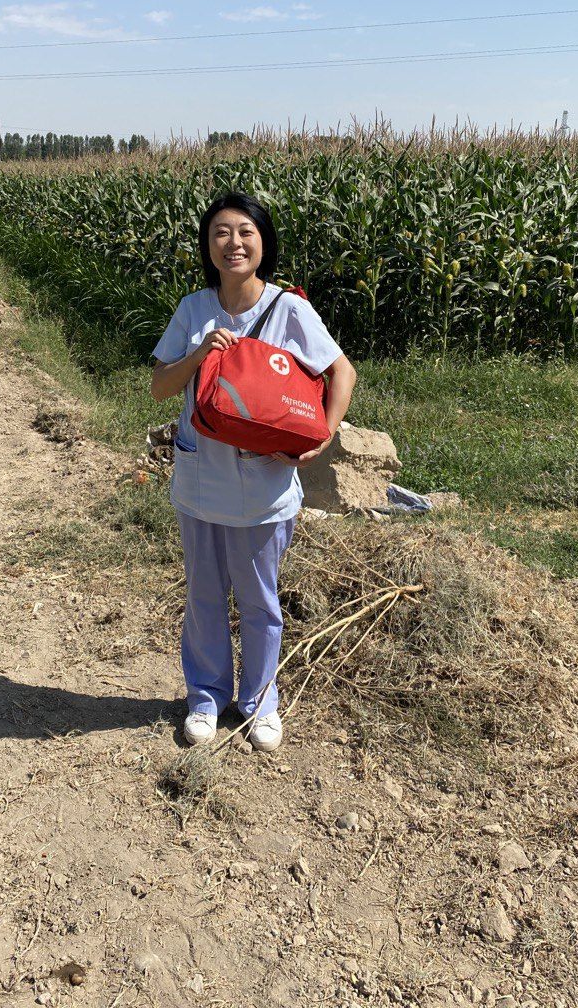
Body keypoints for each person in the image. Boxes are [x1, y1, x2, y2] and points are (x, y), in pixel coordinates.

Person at [150, 192, 356, 752]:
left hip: (265, 485)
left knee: (262, 600)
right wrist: (198, 355)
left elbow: (342, 372)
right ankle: (206, 697)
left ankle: (261, 701)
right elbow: (159, 386)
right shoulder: (194, 309)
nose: (233, 243)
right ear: (207, 244)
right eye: (221, 232)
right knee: (205, 595)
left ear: (263, 242)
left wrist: (321, 437)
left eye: (245, 231)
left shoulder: (289, 309)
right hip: (200, 479)